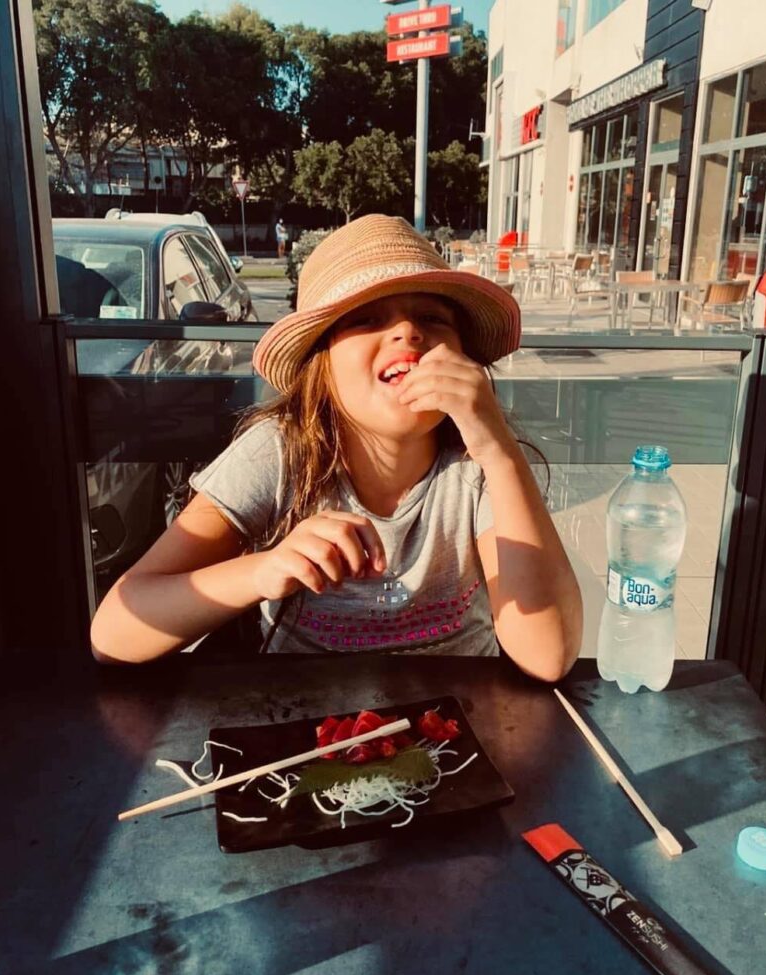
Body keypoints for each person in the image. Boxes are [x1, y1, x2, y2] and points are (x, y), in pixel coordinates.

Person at [90, 214, 583, 680]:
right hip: (305, 722)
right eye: (367, 319)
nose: (408, 332)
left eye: (432, 318)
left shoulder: (480, 464)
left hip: (457, 724)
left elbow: (548, 657)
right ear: (320, 364)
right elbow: (113, 633)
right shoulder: (278, 452)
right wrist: (262, 570)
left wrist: (498, 450)